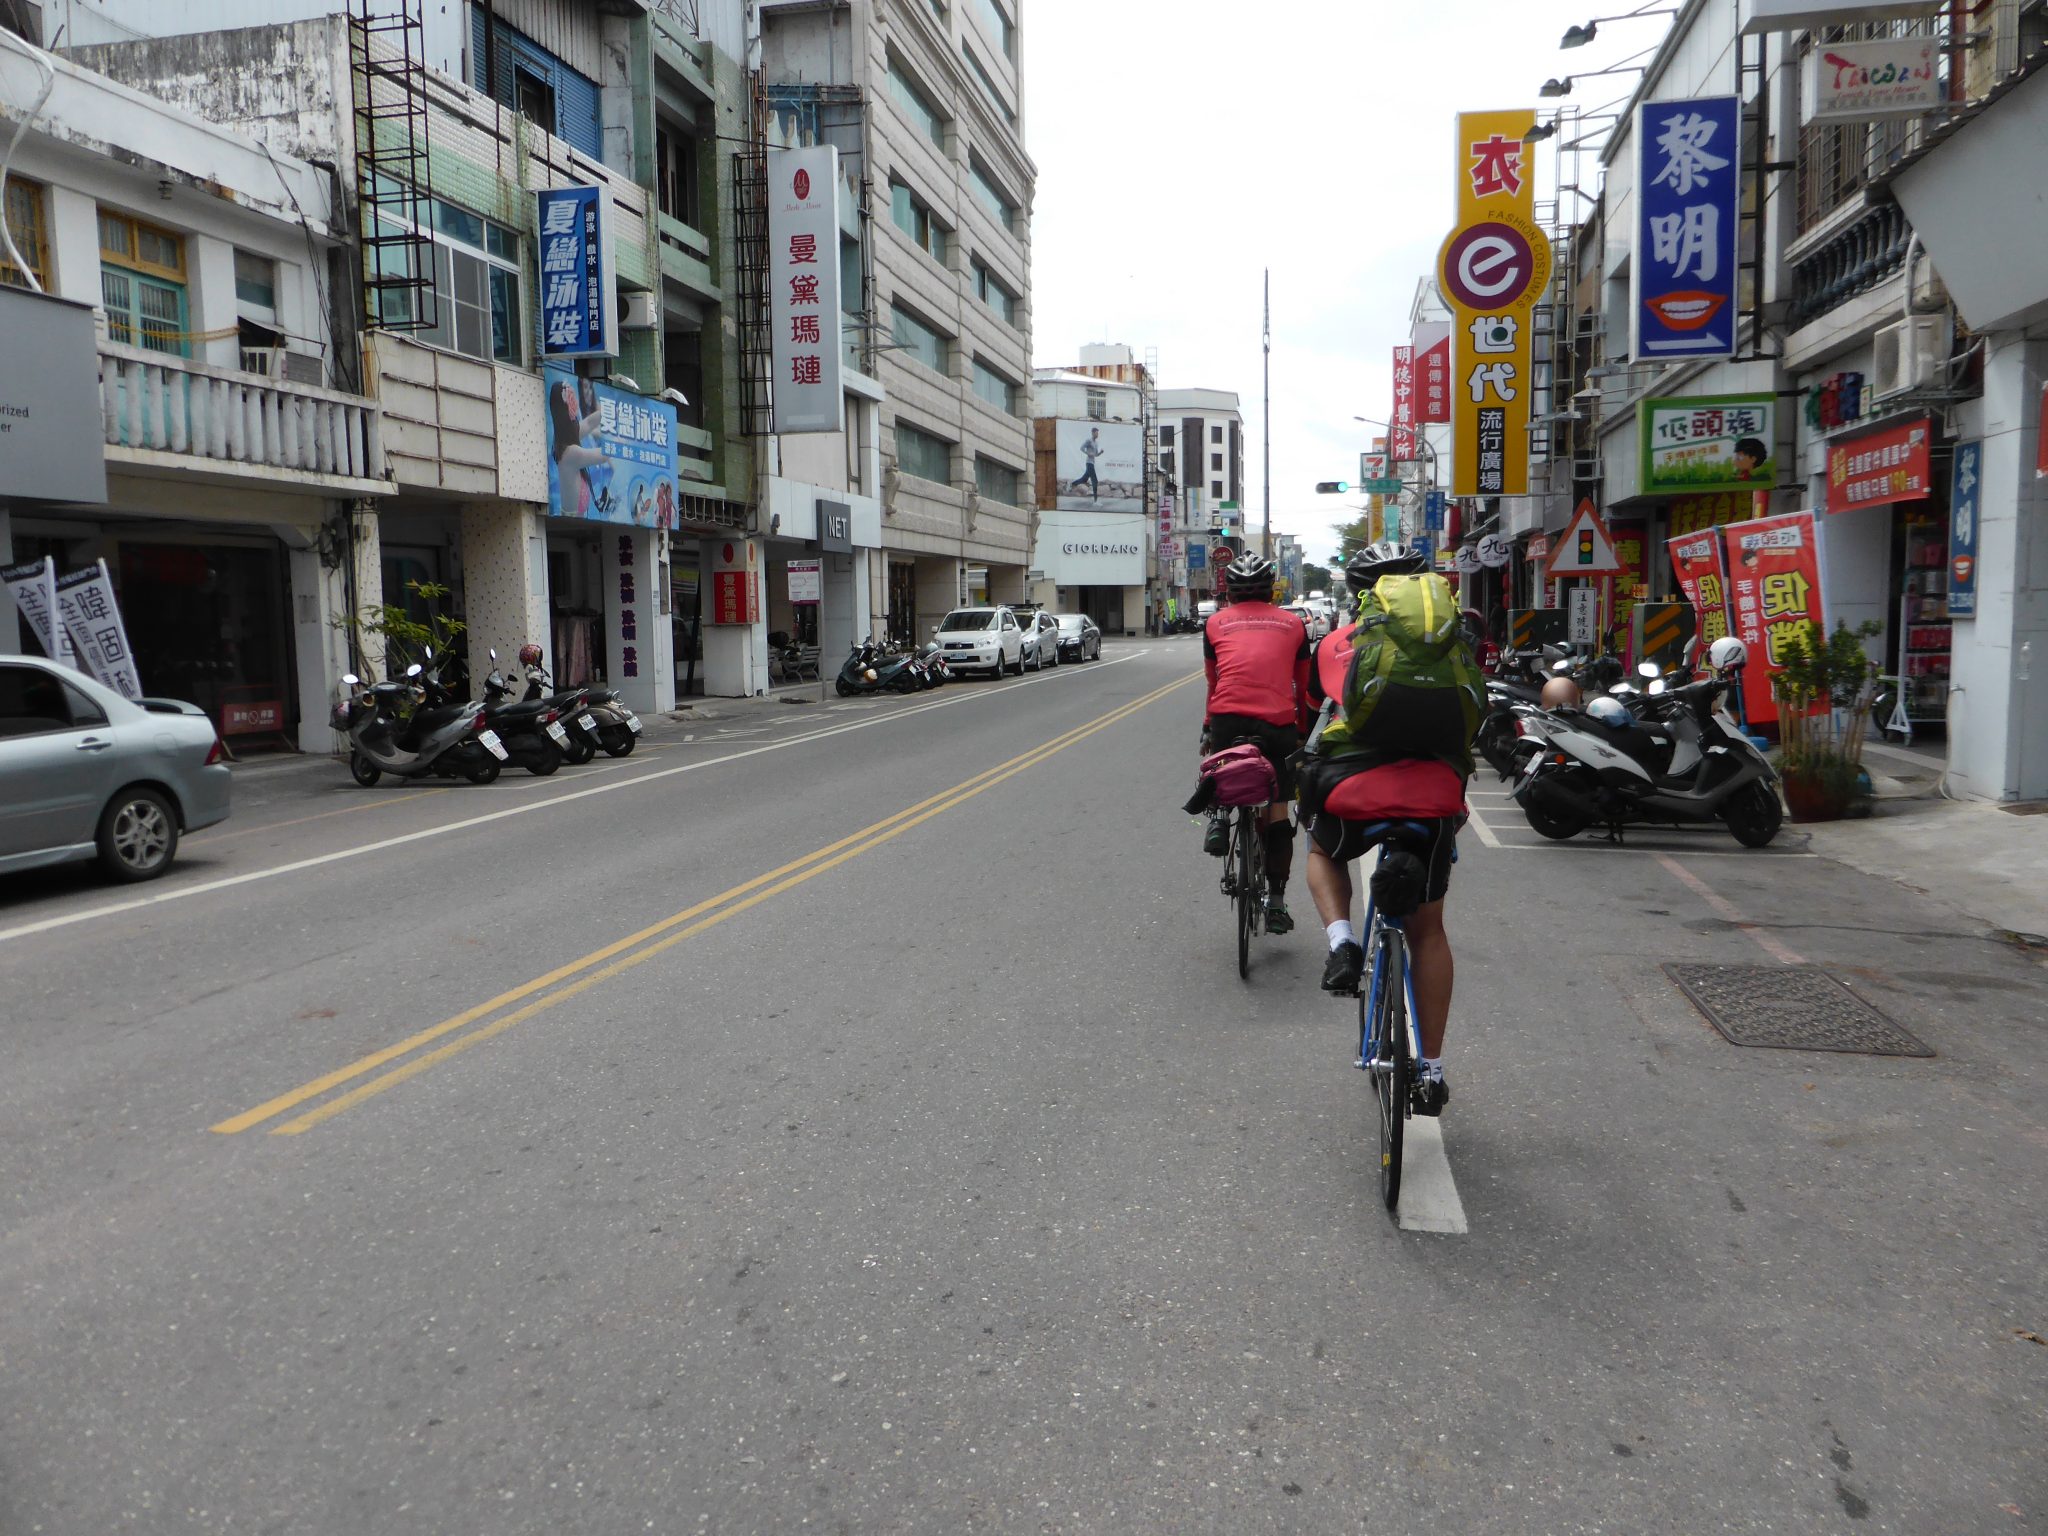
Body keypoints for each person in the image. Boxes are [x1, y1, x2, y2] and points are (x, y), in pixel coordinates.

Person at [1299, 541, 1478, 1115]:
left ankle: (1343, 942)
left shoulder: (1335, 642)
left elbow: (1312, 712)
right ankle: (1431, 1069)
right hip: (1434, 793)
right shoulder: (1457, 640)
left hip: (1355, 791)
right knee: (1428, 931)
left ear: (1361, 593)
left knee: (1323, 847)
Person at [1200, 552, 1309, 934]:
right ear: (1272, 590)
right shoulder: (1294, 623)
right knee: (1277, 811)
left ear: (1228, 591)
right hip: (1277, 723)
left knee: (1223, 764)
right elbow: (1303, 686)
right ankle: (1277, 902)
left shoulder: (1214, 623)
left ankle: (1217, 817)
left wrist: (1207, 726)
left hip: (1228, 720)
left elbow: (1215, 682)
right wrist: (1301, 731)